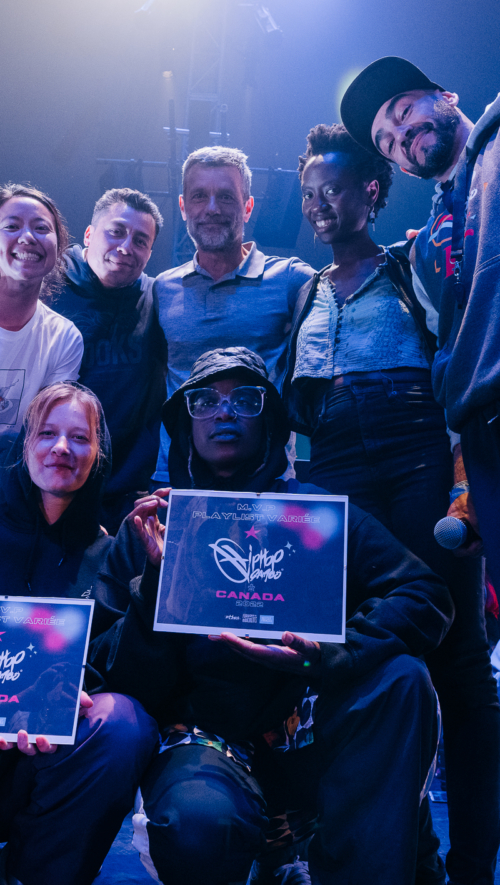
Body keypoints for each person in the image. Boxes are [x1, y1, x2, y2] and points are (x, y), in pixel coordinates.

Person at [90, 347, 454, 885]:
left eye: (246, 399)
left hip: (308, 724)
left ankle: (343, 860)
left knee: (402, 678)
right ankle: (260, 848)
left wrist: (334, 652)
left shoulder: (316, 514)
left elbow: (425, 594)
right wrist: (159, 588)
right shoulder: (154, 525)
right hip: (206, 739)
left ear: (270, 420)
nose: (225, 411)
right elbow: (108, 674)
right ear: (185, 424)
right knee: (196, 826)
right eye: (204, 401)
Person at [341, 57, 500, 885]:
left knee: (464, 668)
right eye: (387, 139)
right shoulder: (435, 235)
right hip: (481, 429)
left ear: (445, 95)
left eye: (404, 110)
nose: (401, 135)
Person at [0, 382, 158, 885]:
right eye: (47, 433)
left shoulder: (109, 555)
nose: (62, 448)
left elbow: (114, 665)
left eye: (80, 438)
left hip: (41, 755)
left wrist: (63, 699)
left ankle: (34, 874)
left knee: (124, 723)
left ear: (98, 455)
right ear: (24, 444)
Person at [282, 122, 451, 561]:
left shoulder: (409, 262)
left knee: (435, 573)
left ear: (370, 191)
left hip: (416, 441)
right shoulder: (306, 290)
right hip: (333, 451)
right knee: (350, 583)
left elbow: (455, 345)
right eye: (308, 194)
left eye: (332, 190)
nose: (317, 205)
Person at [152, 146, 315, 484]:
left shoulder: (290, 279)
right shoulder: (161, 289)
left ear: (248, 207)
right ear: (183, 207)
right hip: (176, 480)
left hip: (266, 481)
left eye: (226, 197)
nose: (212, 208)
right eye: (199, 196)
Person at [50, 187, 167, 534]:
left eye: (141, 240)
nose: (126, 246)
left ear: (149, 253)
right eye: (116, 231)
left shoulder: (158, 297)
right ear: (89, 234)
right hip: (53, 482)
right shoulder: (46, 286)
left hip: (129, 494)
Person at [0, 184, 83, 463]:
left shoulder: (64, 337)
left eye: (41, 228)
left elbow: (47, 433)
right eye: (12, 226)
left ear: (58, 248)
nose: (27, 237)